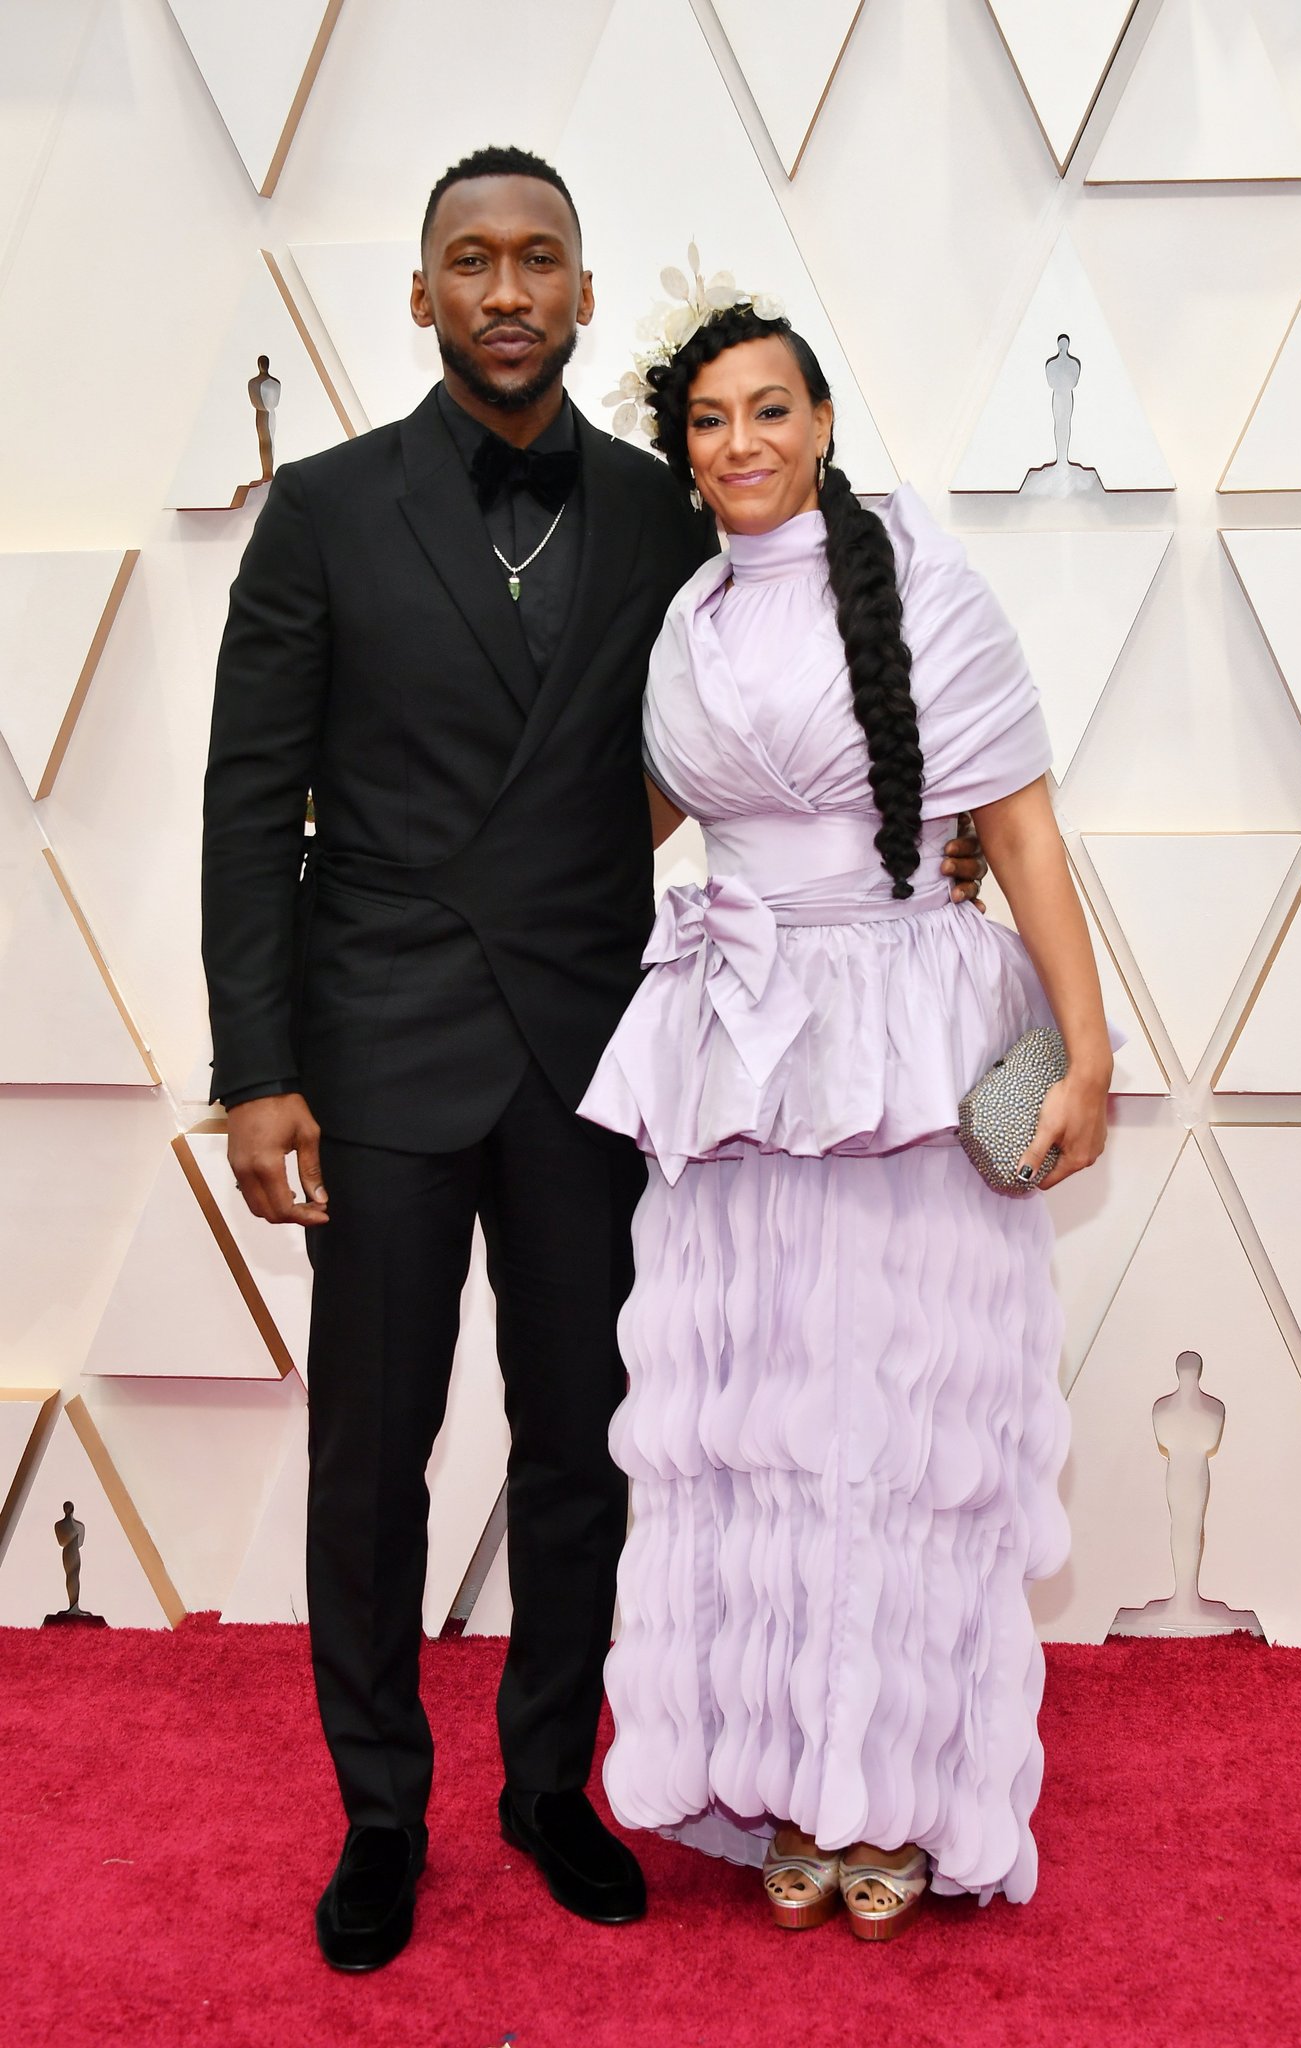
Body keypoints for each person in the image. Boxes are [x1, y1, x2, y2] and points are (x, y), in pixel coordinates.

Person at [201, 142, 1000, 1969]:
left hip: (596, 1050)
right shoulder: (321, 511)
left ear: (579, 289)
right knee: (371, 1459)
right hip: (378, 1051)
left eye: (538, 258)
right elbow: (250, 807)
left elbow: (785, 693)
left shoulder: (662, 513)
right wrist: (257, 1069)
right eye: (471, 259)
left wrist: (920, 839)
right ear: (421, 292)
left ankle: (550, 1785)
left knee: (586, 1444)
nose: (506, 289)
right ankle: (380, 1815)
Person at [580, 300, 1113, 1939]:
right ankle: (785, 1788)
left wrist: (1087, 1054)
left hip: (901, 1047)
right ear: (682, 453)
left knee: (898, 1429)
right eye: (708, 420)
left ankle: (899, 1797)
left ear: (819, 422)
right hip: (738, 1054)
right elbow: (617, 820)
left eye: (769, 409)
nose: (741, 442)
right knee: (757, 1436)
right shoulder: (679, 625)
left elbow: (1019, 835)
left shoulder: (930, 591)